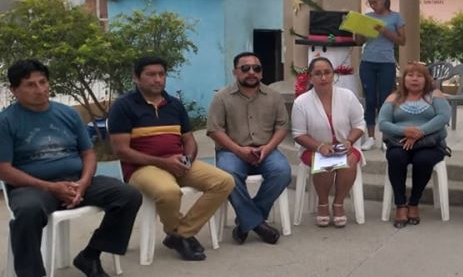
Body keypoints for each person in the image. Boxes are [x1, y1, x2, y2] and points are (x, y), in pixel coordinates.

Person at [0, 60, 142, 277]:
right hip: (32, 186)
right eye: (30, 85)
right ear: (14, 90)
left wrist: (84, 183)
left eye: (43, 82)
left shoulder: (67, 114)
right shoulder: (6, 121)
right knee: (28, 211)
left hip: (76, 180)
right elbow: (4, 170)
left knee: (128, 195)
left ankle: (90, 255)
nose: (40, 89)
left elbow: (88, 153)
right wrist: (51, 187)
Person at [109, 56, 234, 262]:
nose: (157, 79)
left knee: (224, 181)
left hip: (178, 162)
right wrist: (164, 163)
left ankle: (180, 234)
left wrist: (188, 159)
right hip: (142, 168)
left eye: (161, 74)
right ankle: (181, 236)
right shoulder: (123, 106)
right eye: (151, 74)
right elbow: (121, 151)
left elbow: (189, 139)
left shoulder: (174, 104)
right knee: (168, 192)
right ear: (136, 78)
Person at [207, 52, 291, 245]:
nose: (251, 72)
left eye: (256, 68)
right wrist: (238, 150)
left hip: (266, 150)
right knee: (228, 175)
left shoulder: (274, 96)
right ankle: (258, 224)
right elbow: (214, 130)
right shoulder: (221, 97)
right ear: (235, 72)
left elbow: (282, 127)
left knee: (282, 171)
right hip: (231, 151)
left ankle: (247, 221)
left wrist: (268, 148)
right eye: (245, 68)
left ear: (261, 72)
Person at [291, 57, 365, 228]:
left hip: (345, 146)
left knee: (349, 160)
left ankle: (338, 203)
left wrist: (349, 141)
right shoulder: (301, 102)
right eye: (318, 74)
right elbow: (298, 134)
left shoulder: (347, 96)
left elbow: (359, 124)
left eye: (327, 73)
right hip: (313, 148)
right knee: (324, 160)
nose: (323, 77)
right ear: (310, 78)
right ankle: (322, 203)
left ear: (333, 75)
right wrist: (320, 147)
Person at [378, 62, 451, 228]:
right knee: (396, 157)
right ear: (403, 79)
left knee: (423, 160)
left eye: (419, 76)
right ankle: (400, 204)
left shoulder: (435, 95)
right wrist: (406, 131)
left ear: (426, 79)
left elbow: (443, 117)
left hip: (430, 143)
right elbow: (382, 123)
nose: (414, 79)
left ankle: (414, 203)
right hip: (400, 143)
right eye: (410, 75)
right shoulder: (394, 98)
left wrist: (420, 132)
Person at [357, 0, 405, 150]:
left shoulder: (396, 17)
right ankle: (370, 137)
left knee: (386, 100)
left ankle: (386, 136)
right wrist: (358, 30)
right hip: (368, 61)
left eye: (375, 2)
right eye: (370, 3)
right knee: (370, 100)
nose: (373, 5)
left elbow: (402, 41)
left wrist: (385, 32)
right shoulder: (368, 17)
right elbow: (359, 42)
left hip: (386, 63)